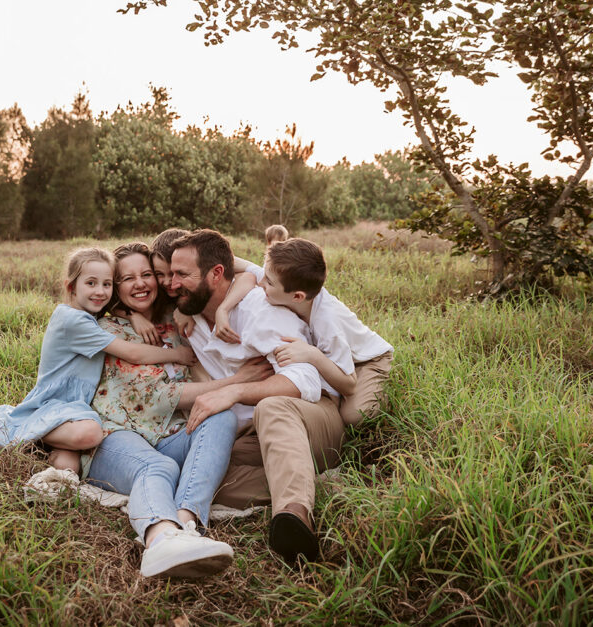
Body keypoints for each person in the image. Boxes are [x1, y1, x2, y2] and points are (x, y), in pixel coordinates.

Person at [84, 243, 273, 578]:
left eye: (147, 275)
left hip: (168, 435)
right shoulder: (107, 330)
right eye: (127, 278)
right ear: (115, 285)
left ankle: (187, 524)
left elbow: (248, 274)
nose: (140, 283)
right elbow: (160, 397)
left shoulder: (175, 322)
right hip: (115, 437)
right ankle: (160, 540)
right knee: (156, 467)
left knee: (219, 416)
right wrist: (237, 382)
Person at [168, 230, 331, 565]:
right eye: (170, 274)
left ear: (216, 274)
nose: (171, 284)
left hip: (309, 420)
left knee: (272, 407)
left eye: (181, 275)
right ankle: (320, 483)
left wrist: (235, 390)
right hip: (254, 437)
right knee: (199, 472)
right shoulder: (192, 317)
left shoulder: (260, 310)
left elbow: (305, 383)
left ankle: (295, 515)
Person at [0, 247, 194, 473]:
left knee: (68, 466)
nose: (100, 291)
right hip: (55, 403)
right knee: (91, 433)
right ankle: (20, 430)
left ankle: (42, 445)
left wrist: (133, 314)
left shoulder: (86, 314)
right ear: (71, 286)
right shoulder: (72, 321)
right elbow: (133, 353)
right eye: (91, 283)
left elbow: (114, 303)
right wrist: (177, 354)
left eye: (107, 284)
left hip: (76, 407)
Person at [263, 238, 393, 425]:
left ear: (297, 296)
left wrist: (312, 355)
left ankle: (379, 387)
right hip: (338, 356)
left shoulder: (327, 323)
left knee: (354, 416)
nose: (261, 283)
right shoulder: (286, 280)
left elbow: (349, 384)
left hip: (367, 361)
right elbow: (240, 264)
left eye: (268, 282)